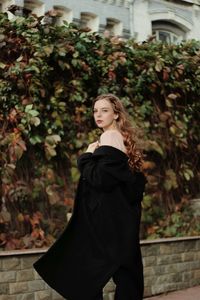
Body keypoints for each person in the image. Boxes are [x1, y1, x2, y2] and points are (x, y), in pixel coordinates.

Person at [33, 94, 147, 300]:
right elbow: (131, 185)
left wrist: (86, 156)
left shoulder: (108, 138)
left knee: (86, 272)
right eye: (95, 110)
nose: (98, 115)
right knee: (126, 275)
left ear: (116, 114)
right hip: (121, 221)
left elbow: (100, 180)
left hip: (103, 221)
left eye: (104, 110)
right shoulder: (122, 139)